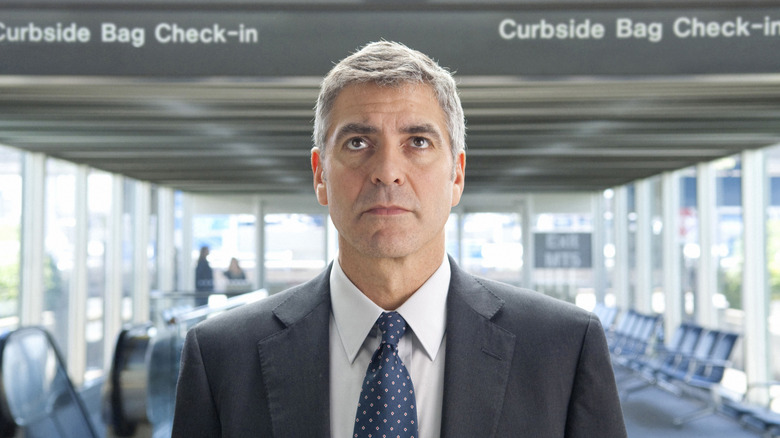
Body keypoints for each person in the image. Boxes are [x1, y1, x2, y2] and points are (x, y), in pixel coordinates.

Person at [172, 41, 627, 437]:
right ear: (320, 175)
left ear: (457, 176)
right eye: (356, 143)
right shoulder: (222, 358)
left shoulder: (562, 349)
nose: (387, 171)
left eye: (418, 142)